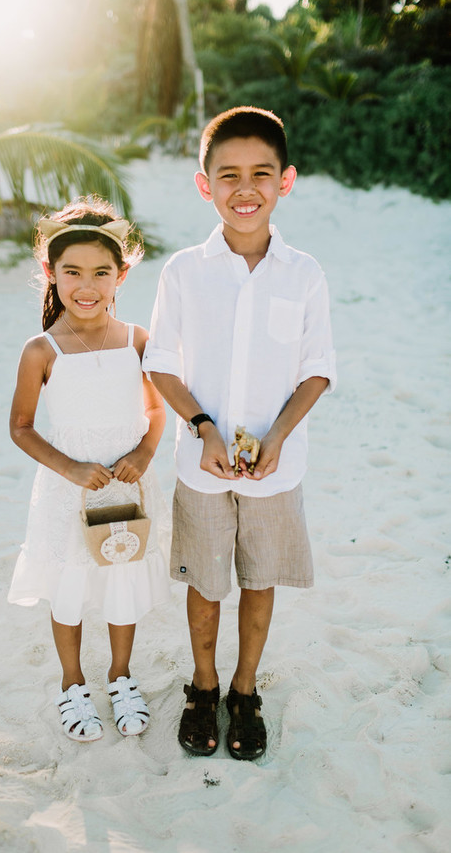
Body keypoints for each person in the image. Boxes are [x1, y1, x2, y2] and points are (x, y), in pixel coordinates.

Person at [143, 106, 336, 761]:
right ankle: (204, 684)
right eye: (228, 175)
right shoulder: (182, 272)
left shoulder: (304, 273)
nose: (245, 187)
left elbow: (317, 371)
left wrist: (279, 435)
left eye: (262, 172)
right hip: (202, 464)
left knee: (260, 578)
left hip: (276, 465)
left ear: (287, 180)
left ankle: (245, 688)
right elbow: (161, 363)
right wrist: (202, 427)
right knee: (206, 582)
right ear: (205, 185)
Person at [8, 198, 170, 743]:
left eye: (101, 272)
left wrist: (144, 454)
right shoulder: (41, 350)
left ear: (121, 275)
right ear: (51, 274)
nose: (87, 285)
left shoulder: (136, 340)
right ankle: (73, 681)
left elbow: (155, 410)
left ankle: (121, 676)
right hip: (68, 488)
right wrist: (71, 467)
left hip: (127, 485)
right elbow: (23, 427)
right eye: (72, 272)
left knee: (121, 575)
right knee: (71, 583)